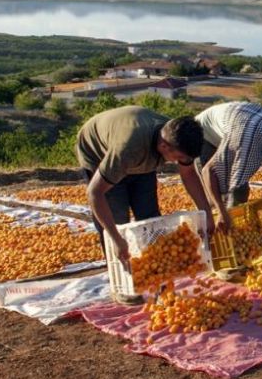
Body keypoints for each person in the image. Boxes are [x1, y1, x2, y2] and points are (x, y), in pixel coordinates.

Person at [76, 105, 210, 272]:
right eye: (179, 158)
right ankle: (122, 275)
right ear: (164, 147)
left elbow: (189, 174)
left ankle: (157, 272)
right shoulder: (128, 149)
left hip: (138, 150)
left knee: (149, 215)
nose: (180, 162)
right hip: (98, 151)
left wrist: (207, 214)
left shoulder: (177, 136)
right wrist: (116, 239)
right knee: (118, 218)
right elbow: (95, 193)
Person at [195, 102, 262, 233]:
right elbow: (208, 170)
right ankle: (211, 238)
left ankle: (234, 231)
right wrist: (222, 211)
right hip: (205, 135)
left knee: (239, 193)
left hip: (237, 124)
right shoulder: (244, 140)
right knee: (219, 199)